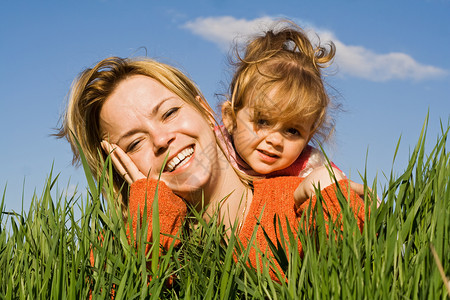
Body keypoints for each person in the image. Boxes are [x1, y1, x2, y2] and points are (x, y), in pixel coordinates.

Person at [57, 56, 365, 274]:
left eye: (169, 113)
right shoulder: (117, 249)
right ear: (119, 167)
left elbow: (355, 270)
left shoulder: (301, 198)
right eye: (135, 143)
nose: (162, 139)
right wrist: (152, 220)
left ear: (205, 109)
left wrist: (332, 198)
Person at [220, 21, 340, 180]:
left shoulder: (310, 166)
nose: (275, 140)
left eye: (293, 131)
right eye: (262, 121)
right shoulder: (214, 150)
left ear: (308, 137)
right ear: (230, 117)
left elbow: (352, 195)